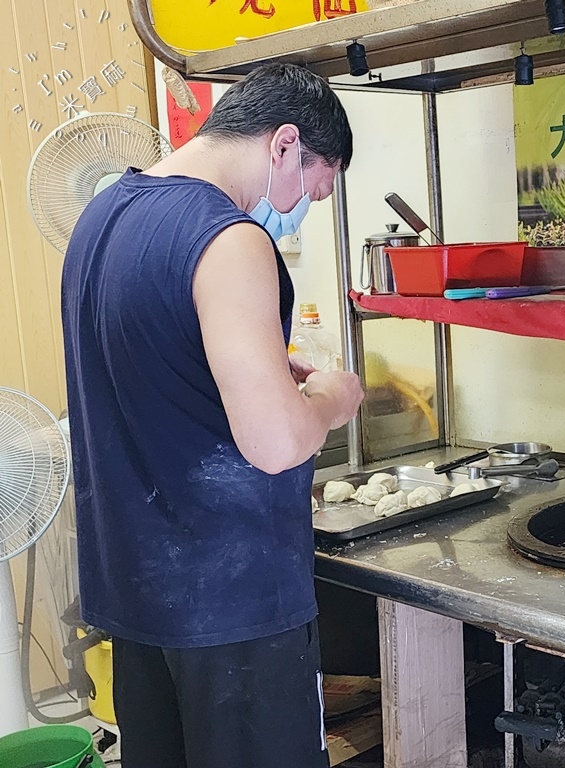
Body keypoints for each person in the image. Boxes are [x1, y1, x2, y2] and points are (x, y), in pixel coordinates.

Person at [61, 63, 364, 768]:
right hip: (232, 606)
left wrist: (253, 372)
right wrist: (333, 397)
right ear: (284, 144)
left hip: (136, 595)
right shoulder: (229, 239)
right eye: (313, 189)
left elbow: (145, 365)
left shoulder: (101, 216)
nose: (301, 206)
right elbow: (276, 441)